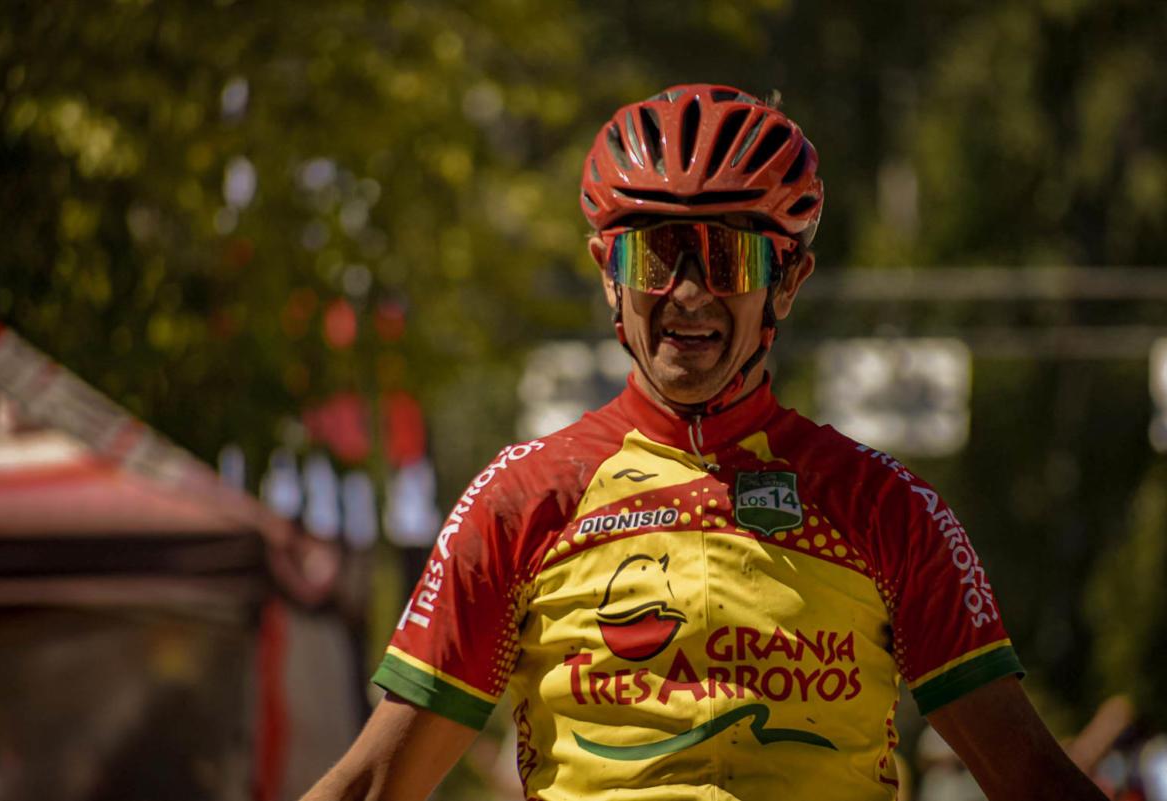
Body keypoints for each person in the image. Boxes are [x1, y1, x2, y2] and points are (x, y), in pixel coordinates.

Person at [301, 84, 1105, 801]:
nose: (688, 291)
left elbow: (1034, 779)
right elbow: (372, 782)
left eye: (727, 256)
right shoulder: (522, 500)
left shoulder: (885, 508)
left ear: (789, 280)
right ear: (608, 271)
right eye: (655, 254)